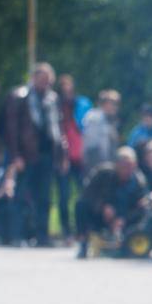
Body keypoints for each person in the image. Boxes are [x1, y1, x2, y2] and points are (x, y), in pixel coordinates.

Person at [2, 62, 66, 246]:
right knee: (21, 196)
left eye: (48, 80)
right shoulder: (20, 96)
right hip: (26, 155)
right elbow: (12, 129)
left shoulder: (52, 99)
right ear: (34, 78)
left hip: (47, 155)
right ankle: (17, 235)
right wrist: (15, 155)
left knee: (44, 198)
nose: (45, 84)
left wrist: (62, 156)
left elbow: (59, 128)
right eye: (42, 79)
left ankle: (42, 236)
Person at [75, 146, 148, 257]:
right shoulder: (103, 173)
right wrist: (102, 207)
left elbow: (141, 207)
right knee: (81, 205)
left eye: (130, 166)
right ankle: (83, 242)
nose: (127, 169)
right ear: (116, 164)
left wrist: (123, 219)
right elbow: (87, 194)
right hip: (101, 215)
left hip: (125, 219)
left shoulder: (139, 183)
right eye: (123, 165)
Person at [56, 73, 85, 242]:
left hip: (79, 157)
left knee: (82, 195)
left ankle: (81, 230)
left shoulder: (81, 105)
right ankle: (67, 231)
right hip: (63, 158)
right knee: (64, 195)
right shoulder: (55, 107)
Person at [79, 89, 122, 174]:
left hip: (109, 164)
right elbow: (90, 144)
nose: (115, 107)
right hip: (95, 164)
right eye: (113, 103)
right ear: (105, 103)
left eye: (117, 104)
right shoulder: (94, 118)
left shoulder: (112, 120)